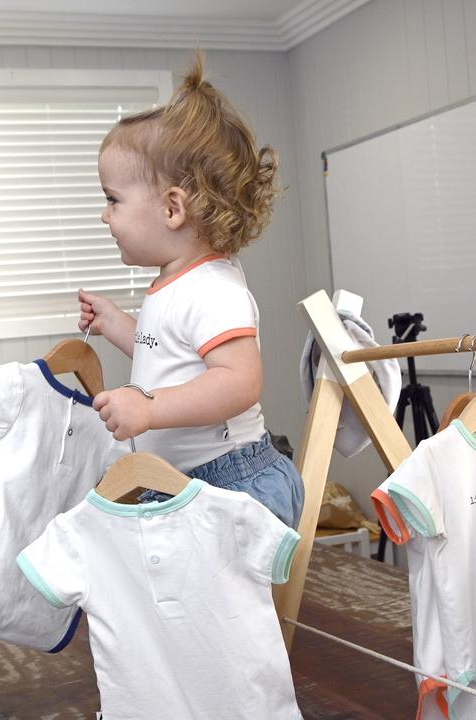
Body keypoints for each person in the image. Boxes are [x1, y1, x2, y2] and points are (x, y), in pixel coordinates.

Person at [76, 54, 304, 528]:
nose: (105, 215)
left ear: (172, 209)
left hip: (229, 483)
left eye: (112, 199)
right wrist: (117, 324)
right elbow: (170, 350)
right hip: (184, 482)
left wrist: (148, 408)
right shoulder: (172, 284)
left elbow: (239, 382)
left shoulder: (213, 287)